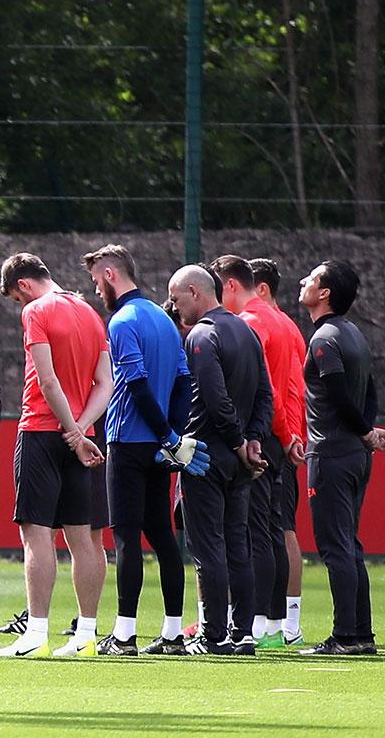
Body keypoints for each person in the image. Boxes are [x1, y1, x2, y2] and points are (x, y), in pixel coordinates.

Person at [0, 251, 111, 657]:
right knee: (83, 538)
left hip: (42, 431)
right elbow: (105, 383)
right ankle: (87, 635)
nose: (19, 306)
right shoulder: (90, 312)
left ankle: (36, 633)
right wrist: (81, 432)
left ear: (23, 285)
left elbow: (46, 379)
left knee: (36, 532)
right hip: (83, 438)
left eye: (16, 298)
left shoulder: (37, 311)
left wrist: (70, 432)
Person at [84, 242, 195, 655]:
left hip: (129, 441)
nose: (96, 289)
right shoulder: (164, 321)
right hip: (159, 445)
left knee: (127, 537)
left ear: (111, 275)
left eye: (97, 280)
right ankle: (171, 634)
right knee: (164, 537)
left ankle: (126, 634)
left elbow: (135, 383)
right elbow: (183, 382)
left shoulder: (122, 321)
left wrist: (166, 432)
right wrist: (175, 434)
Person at [168, 264, 273, 655]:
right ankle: (243, 631)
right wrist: (254, 440)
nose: (175, 308)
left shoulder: (201, 335)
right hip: (240, 459)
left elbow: (213, 398)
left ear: (195, 293)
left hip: (207, 454)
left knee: (208, 546)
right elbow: (266, 394)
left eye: (177, 299)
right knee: (237, 543)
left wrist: (236, 440)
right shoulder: (246, 331)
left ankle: (213, 635)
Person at [297, 258, 381, 656]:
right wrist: (366, 431)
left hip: (330, 453)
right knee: (349, 544)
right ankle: (360, 633)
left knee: (334, 546)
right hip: (355, 455)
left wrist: (362, 429)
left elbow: (335, 393)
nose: (303, 282)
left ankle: (345, 636)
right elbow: (370, 393)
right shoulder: (354, 336)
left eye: (311, 279)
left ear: (324, 293)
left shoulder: (323, 338)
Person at [246, 256, 309, 643]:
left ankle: (276, 624)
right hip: (289, 433)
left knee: (273, 530)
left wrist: (285, 436)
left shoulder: (259, 324)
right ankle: (287, 623)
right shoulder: (291, 327)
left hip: (277, 435)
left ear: (262, 288)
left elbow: (268, 390)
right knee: (281, 528)